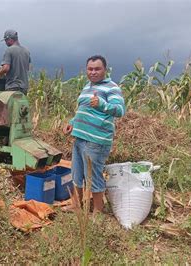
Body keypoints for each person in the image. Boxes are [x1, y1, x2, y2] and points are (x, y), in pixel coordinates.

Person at [63, 55, 126, 213]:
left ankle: (98, 211)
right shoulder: (87, 87)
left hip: (96, 141)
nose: (93, 72)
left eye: (97, 69)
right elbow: (82, 110)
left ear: (105, 70)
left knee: (93, 177)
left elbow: (120, 110)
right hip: (79, 138)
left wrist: (103, 105)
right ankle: (76, 205)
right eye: (90, 69)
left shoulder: (111, 87)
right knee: (76, 174)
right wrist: (72, 123)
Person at [0, 29, 31, 94]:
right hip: (24, 88)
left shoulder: (9, 50)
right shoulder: (26, 51)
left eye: (5, 40)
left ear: (10, 39)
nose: (5, 42)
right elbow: (28, 68)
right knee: (20, 104)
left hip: (13, 87)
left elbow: (6, 68)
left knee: (9, 104)